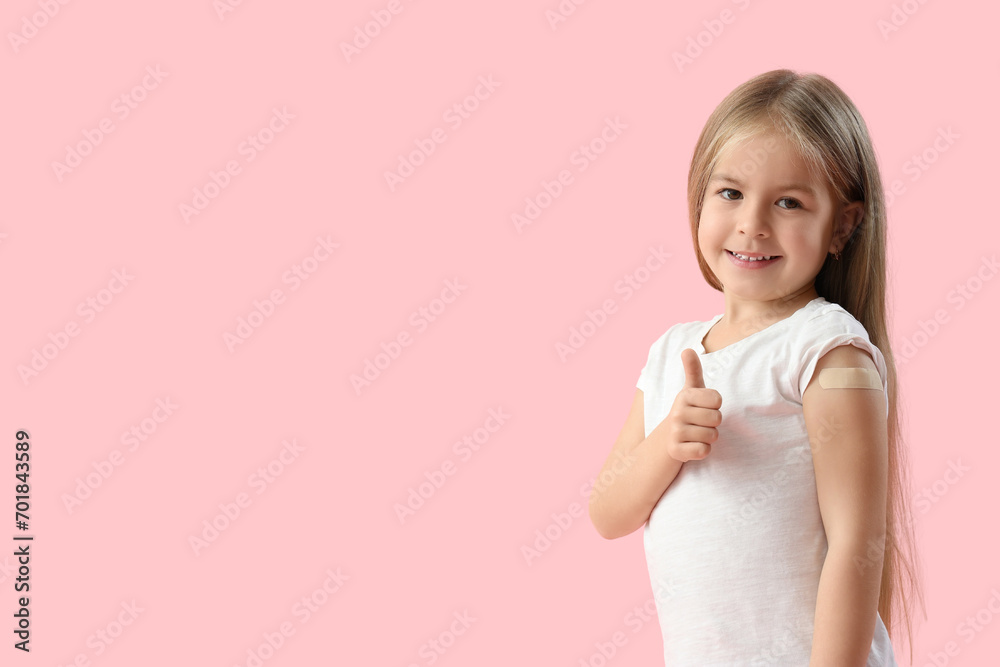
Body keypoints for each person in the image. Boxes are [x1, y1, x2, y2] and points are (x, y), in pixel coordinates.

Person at [588, 69, 924, 666]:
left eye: (789, 202)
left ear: (841, 227)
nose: (753, 223)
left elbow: (857, 545)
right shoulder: (673, 351)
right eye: (731, 193)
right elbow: (609, 513)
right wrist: (669, 440)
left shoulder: (826, 350)